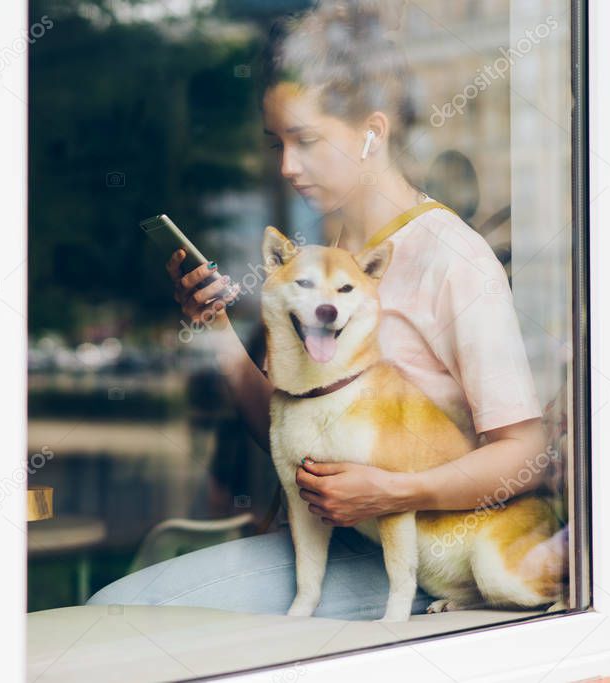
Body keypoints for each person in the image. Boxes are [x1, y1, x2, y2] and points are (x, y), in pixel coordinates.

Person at [86, 0, 558, 621]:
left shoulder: (454, 260)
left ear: (373, 132)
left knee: (123, 611)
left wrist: (395, 490)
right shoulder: (326, 258)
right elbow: (288, 436)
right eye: (277, 142)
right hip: (328, 542)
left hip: (426, 556)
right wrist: (219, 330)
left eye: (306, 140)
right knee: (123, 606)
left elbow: (526, 453)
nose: (286, 166)